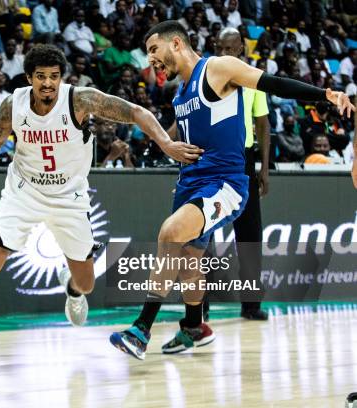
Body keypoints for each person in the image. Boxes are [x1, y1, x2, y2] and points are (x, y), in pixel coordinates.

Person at [0, 44, 202, 357]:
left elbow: (137, 112)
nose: (48, 83)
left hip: (69, 199)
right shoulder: (15, 105)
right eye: (40, 76)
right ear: (29, 78)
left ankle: (71, 289)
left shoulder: (80, 100)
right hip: (23, 194)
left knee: (86, 283)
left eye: (54, 76)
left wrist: (165, 142)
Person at [109, 20, 354, 360]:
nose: (150, 59)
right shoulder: (180, 92)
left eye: (154, 50)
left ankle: (141, 329)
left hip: (225, 183)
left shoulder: (218, 68)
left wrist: (325, 94)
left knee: (170, 233)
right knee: (189, 261)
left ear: (176, 43)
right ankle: (195, 326)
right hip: (190, 183)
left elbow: (274, 84)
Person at [205, 27, 271, 321]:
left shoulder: (253, 79)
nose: (228, 54)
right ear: (215, 47)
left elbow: (263, 125)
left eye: (233, 50)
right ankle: (199, 304)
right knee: (202, 232)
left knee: (249, 234)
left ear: (242, 51)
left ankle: (251, 304)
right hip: (212, 157)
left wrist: (263, 168)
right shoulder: (206, 76)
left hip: (244, 159)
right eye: (223, 49)